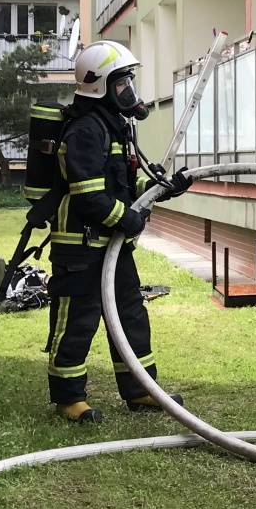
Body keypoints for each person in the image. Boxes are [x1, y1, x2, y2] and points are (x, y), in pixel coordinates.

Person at [45, 40, 192, 423]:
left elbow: (123, 189)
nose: (130, 90)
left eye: (129, 82)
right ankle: (69, 397)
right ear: (100, 85)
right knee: (78, 321)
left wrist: (162, 189)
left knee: (130, 316)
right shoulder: (85, 131)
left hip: (110, 243)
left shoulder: (115, 126)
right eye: (122, 83)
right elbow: (89, 195)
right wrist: (127, 219)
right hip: (79, 246)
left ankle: (141, 388)